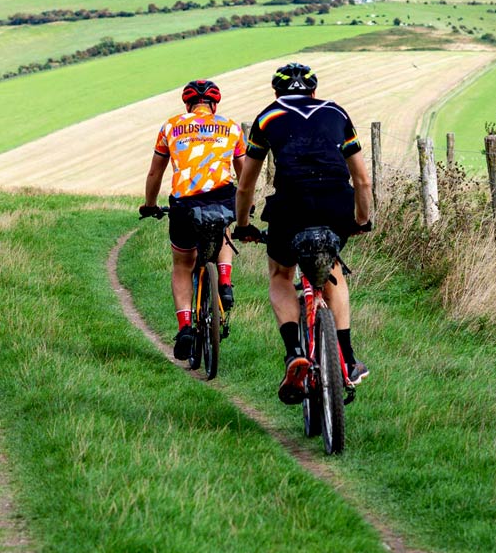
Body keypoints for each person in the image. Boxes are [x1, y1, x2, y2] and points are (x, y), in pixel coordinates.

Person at [233, 62, 372, 404]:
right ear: (313, 90)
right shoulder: (336, 113)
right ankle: (348, 358)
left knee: (281, 275)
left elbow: (245, 186)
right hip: (336, 204)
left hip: (290, 206)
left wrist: (243, 225)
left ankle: (295, 351)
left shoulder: (267, 117)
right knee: (333, 271)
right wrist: (362, 219)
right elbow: (362, 180)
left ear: (277, 92)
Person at [139, 79, 247, 359]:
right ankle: (224, 281)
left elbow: (155, 174)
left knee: (183, 264)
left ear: (187, 104)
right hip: (222, 198)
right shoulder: (232, 127)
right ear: (214, 104)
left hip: (185, 205)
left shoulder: (171, 127)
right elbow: (244, 171)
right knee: (224, 228)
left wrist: (150, 205)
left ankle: (185, 326)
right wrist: (248, 203)